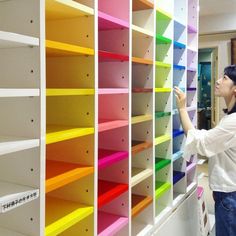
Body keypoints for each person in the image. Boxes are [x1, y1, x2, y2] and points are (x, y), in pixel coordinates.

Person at [174, 65, 236, 236]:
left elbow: (201, 142)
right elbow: (211, 138)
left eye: (224, 78)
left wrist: (181, 108)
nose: (217, 81)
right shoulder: (230, 118)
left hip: (230, 194)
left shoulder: (233, 122)